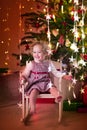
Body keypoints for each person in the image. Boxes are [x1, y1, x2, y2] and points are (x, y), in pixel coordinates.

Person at [20, 42, 72, 123]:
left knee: (52, 88)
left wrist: (64, 76)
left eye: (39, 52)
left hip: (46, 82)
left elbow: (56, 73)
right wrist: (22, 77)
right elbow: (25, 74)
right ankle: (33, 108)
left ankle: (57, 97)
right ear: (32, 53)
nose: (36, 54)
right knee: (33, 92)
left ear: (45, 53)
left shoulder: (49, 63)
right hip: (35, 83)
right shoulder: (31, 64)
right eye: (34, 52)